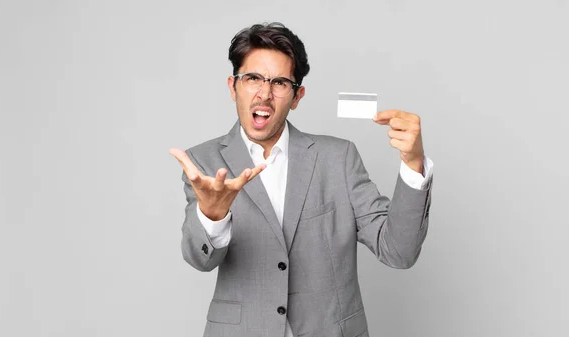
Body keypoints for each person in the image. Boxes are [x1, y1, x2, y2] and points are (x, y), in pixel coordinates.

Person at [170, 22, 434, 337]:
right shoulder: (204, 161)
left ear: (297, 96)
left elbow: (398, 251)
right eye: (253, 78)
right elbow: (200, 260)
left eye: (280, 82)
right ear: (233, 86)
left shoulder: (339, 158)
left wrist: (413, 163)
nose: (264, 94)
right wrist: (213, 216)